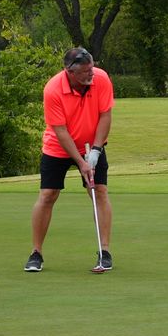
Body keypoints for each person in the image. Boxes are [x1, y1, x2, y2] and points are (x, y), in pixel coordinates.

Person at [26, 46, 114, 272]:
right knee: (48, 195)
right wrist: (81, 162)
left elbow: (105, 115)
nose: (90, 74)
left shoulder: (101, 79)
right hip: (59, 146)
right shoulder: (53, 89)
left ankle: (104, 251)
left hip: (92, 144)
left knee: (99, 191)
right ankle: (36, 252)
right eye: (85, 71)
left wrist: (95, 151)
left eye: (91, 68)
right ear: (69, 72)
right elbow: (60, 130)